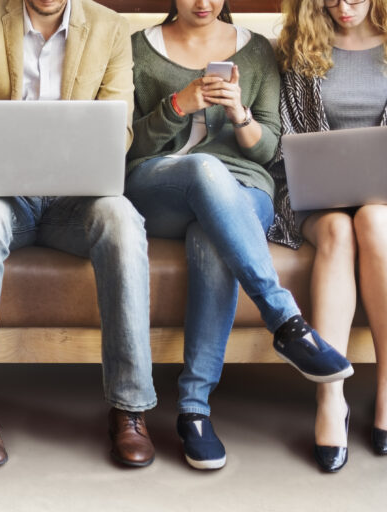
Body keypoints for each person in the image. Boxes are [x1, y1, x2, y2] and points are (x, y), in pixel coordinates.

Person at [125, 0, 353, 472]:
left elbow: (271, 150)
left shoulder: (257, 52)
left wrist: (241, 116)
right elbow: (127, 145)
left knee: (212, 237)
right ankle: (285, 323)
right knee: (204, 167)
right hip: (161, 184)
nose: (203, 3)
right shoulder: (137, 50)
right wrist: (177, 105)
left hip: (245, 190)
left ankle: (194, 411)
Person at [0, 0, 157, 468]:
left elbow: (119, 127)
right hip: (3, 193)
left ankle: (130, 408)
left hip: (74, 196)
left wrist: (79, 157)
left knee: (122, 220)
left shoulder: (110, 27)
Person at [271, 0, 387, 472]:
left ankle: (384, 389)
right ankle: (330, 399)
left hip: (384, 202)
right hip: (317, 200)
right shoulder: (299, 47)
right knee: (340, 228)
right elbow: (286, 140)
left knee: (373, 221)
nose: (343, 7)